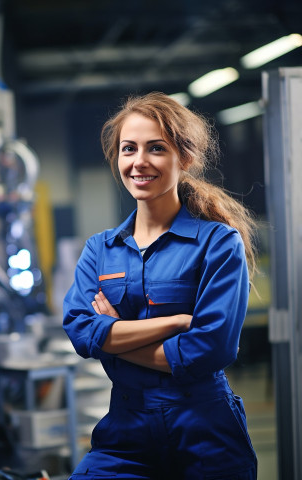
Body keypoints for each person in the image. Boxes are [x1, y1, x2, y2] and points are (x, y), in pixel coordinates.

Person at [63, 92, 258, 479]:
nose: (139, 162)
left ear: (184, 159)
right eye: (128, 149)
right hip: (125, 431)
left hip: (205, 427)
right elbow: (82, 331)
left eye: (156, 149)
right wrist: (172, 324)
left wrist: (115, 341)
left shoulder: (217, 243)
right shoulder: (100, 250)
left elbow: (209, 349)